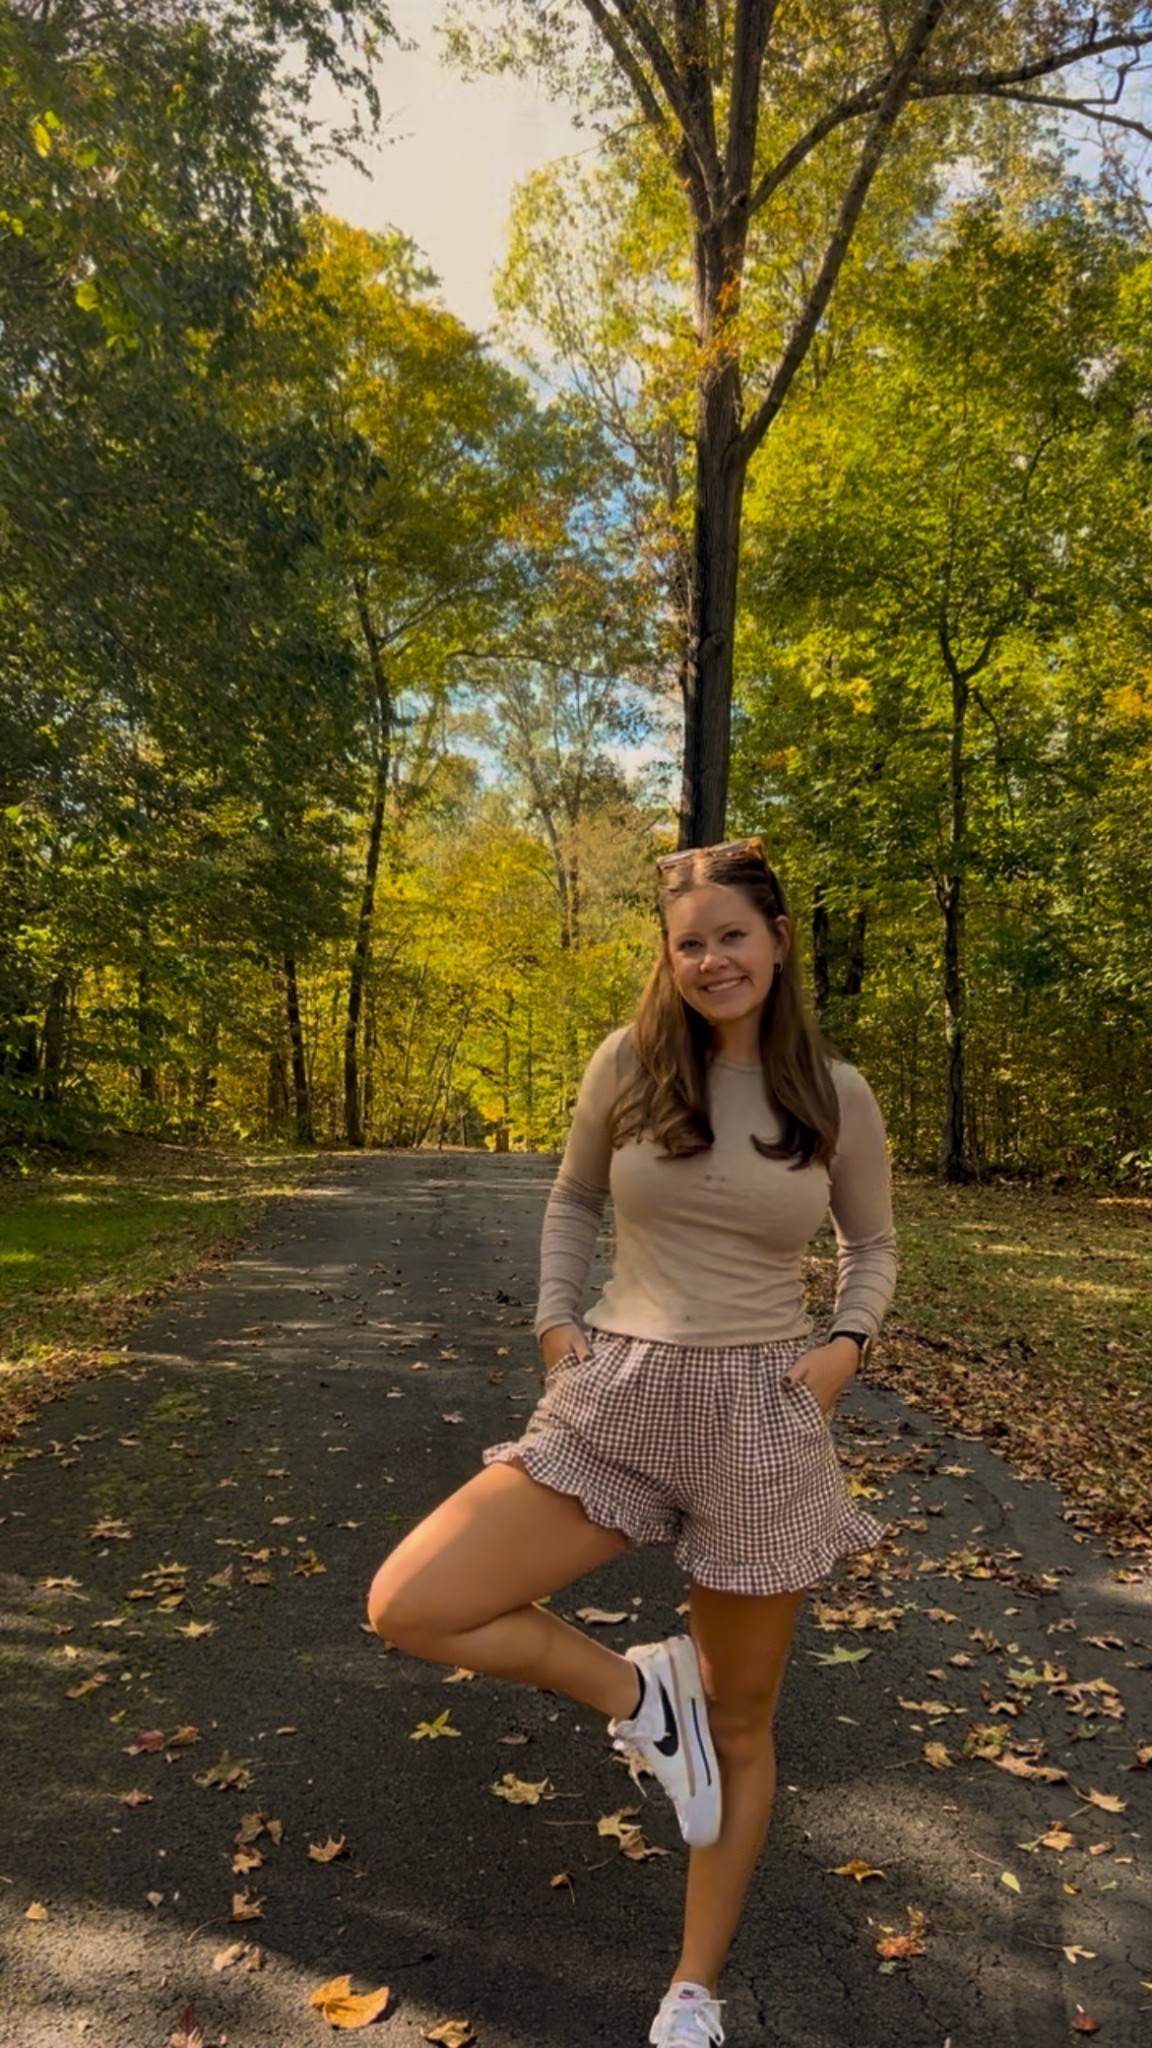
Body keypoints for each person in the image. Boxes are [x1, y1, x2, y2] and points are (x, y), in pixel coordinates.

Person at [368, 836, 896, 2048]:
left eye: (732, 935)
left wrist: (843, 1352)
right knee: (413, 1599)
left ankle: (693, 1990)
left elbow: (873, 1247)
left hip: (764, 1413)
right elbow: (572, 1197)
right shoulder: (631, 1062)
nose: (712, 958)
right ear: (667, 960)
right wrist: (559, 1329)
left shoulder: (836, 1091)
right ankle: (640, 1693)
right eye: (689, 941)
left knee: (746, 1719)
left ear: (777, 943)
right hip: (622, 1391)